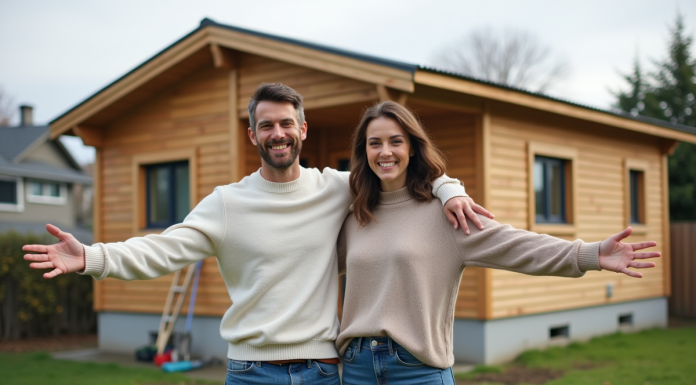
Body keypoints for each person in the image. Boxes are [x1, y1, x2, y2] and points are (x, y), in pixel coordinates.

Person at [22, 84, 491, 385]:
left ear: (302, 130)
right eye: (266, 125)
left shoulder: (335, 187)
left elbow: (394, 175)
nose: (278, 133)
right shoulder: (227, 203)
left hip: (324, 371)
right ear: (253, 135)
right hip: (250, 373)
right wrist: (92, 257)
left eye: (287, 123)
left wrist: (449, 189)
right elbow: (163, 248)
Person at [336, 101, 660, 385]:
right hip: (356, 369)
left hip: (417, 368)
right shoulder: (354, 217)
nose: (385, 152)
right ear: (364, 151)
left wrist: (588, 253)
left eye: (396, 141)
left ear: (412, 148)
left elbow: (515, 244)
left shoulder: (446, 214)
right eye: (374, 143)